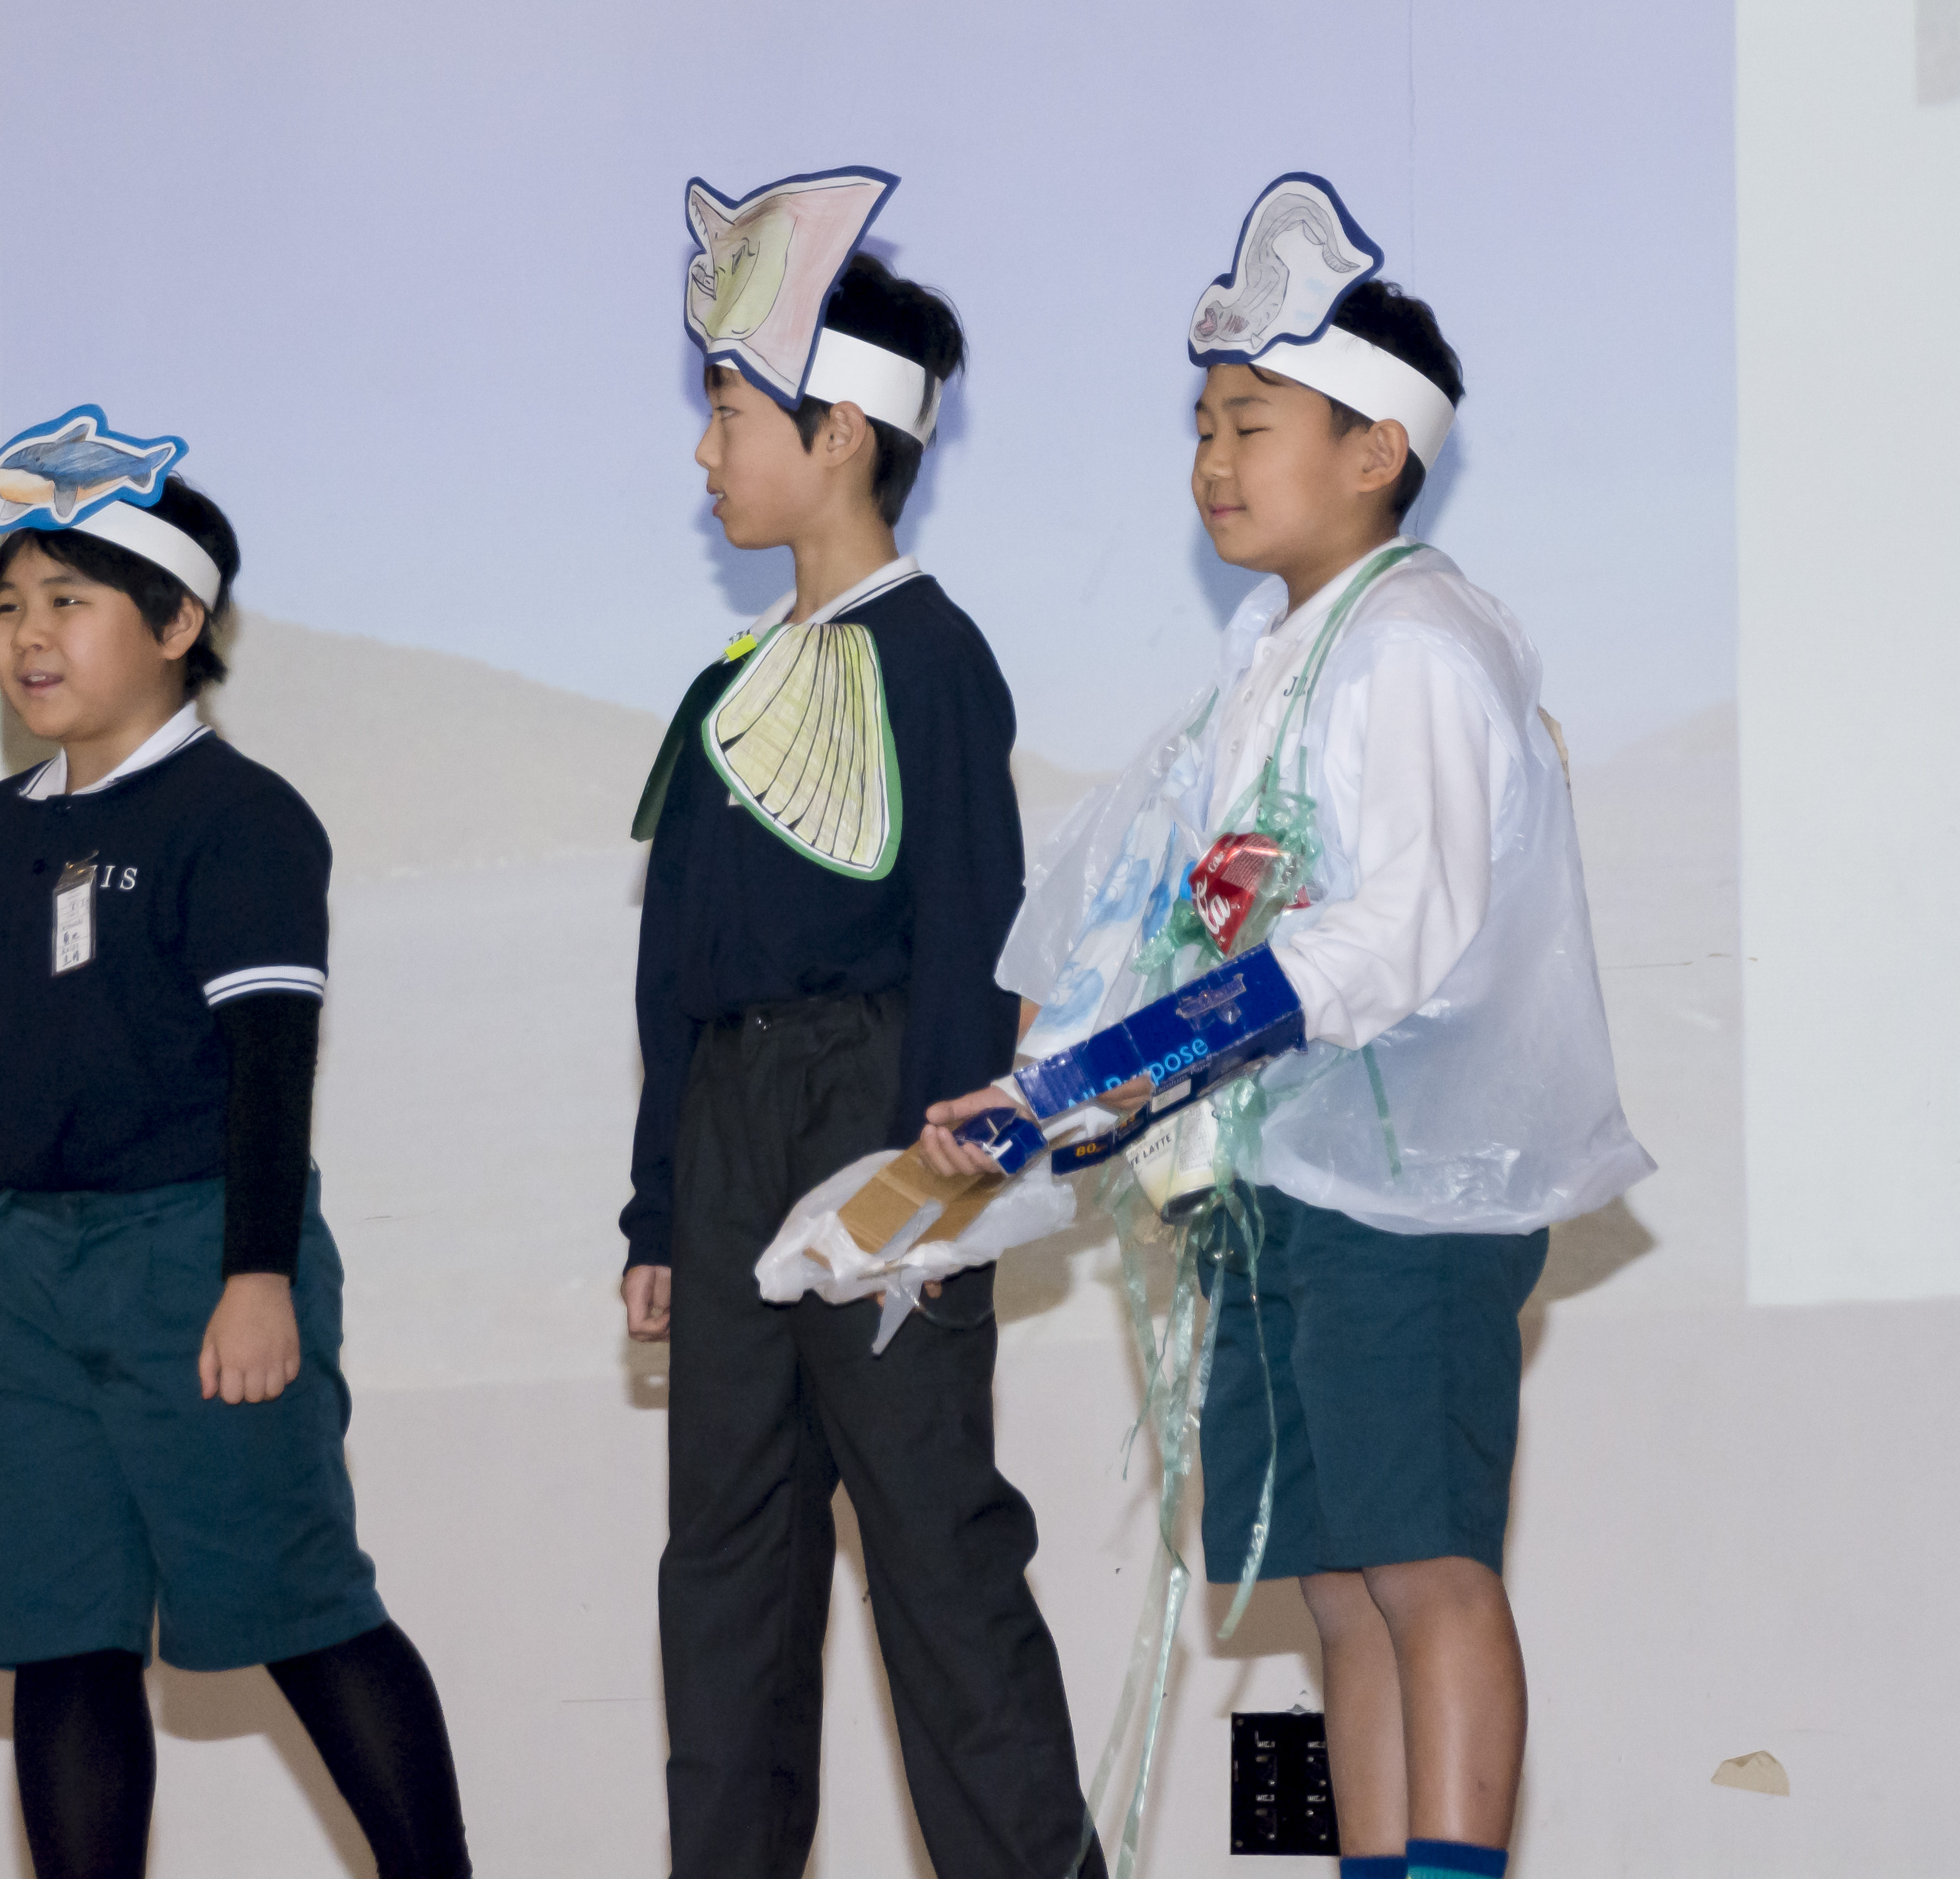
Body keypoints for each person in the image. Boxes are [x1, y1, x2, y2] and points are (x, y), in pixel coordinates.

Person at [924, 174, 1653, 1879]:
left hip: (1404, 1195)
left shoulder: (1416, 646)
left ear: (1377, 450)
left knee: (1427, 1570)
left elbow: (1387, 942)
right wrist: (1055, 1090)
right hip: (1274, 1192)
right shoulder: (1263, 665)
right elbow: (1164, 920)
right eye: (1201, 426)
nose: (1213, 460)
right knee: (1334, 1584)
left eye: (1252, 423)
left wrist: (1118, 1069)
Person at [0, 407, 473, 1879]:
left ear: (179, 624)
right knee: (59, 1639)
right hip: (24, 1283)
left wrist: (258, 1275)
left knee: (300, 1609)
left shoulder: (242, 819)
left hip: (197, 1253)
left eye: (69, 601)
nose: (28, 636)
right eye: (8, 604)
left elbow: (270, 1063)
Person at [624, 168, 1105, 1879]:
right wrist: (659, 1206)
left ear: (839, 435)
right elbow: (672, 976)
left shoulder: (934, 659)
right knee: (725, 1570)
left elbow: (975, 931)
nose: (705, 454)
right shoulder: (730, 690)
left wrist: (939, 1187)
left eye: (729, 415)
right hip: (731, 1131)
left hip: (882, 1121)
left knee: (934, 1551)